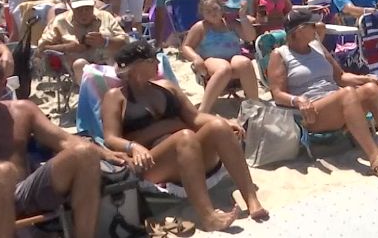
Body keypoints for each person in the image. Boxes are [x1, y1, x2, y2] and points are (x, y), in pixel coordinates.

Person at [0, 56, 118, 237]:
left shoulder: (23, 111)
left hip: (21, 194)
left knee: (85, 153)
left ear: (2, 85)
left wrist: (106, 153)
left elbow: (65, 140)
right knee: (2, 172)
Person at [101, 41, 267, 230]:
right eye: (152, 59)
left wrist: (224, 122)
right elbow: (110, 138)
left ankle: (252, 201)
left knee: (218, 126)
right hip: (151, 163)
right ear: (137, 65)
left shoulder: (166, 87)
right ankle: (208, 217)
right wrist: (134, 146)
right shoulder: (116, 97)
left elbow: (195, 117)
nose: (158, 63)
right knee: (185, 136)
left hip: (190, 155)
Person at [267, 9, 378, 180]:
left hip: (342, 102)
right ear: (300, 30)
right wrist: (298, 100)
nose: (317, 27)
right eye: (312, 25)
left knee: (370, 89)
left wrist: (366, 79)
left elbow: (341, 76)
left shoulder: (317, 46)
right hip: (313, 112)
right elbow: (277, 93)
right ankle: (375, 157)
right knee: (347, 93)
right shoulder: (280, 55)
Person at [180, 0, 259, 112]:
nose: (213, 13)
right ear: (202, 14)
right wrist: (196, 58)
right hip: (211, 61)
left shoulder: (231, 24)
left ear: (222, 9)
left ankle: (254, 104)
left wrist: (242, 16)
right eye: (208, 11)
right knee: (224, 68)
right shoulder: (201, 27)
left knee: (245, 62)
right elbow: (186, 46)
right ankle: (204, 109)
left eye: (215, 9)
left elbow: (250, 37)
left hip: (233, 59)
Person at [38, 0, 130, 84]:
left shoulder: (105, 17)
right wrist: (68, 47)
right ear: (71, 6)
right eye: (79, 9)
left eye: (87, 8)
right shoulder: (60, 21)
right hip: (78, 69)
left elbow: (125, 42)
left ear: (93, 5)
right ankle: (92, 91)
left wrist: (105, 41)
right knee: (80, 64)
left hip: (109, 67)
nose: (84, 13)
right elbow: (41, 49)